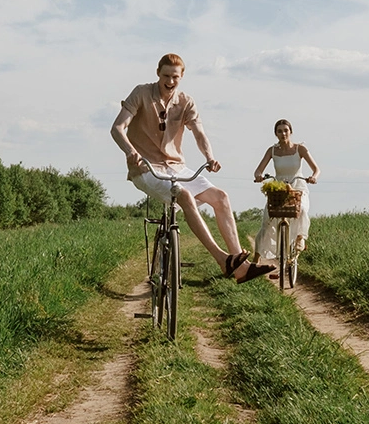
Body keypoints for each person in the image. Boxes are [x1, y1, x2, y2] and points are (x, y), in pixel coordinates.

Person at [111, 53, 275, 283]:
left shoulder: (186, 101)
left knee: (221, 196)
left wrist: (209, 157)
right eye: (166, 75)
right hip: (147, 168)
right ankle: (222, 260)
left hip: (177, 167)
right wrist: (131, 151)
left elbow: (199, 132)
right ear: (158, 73)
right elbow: (117, 128)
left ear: (182, 76)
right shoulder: (141, 93)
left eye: (175, 77)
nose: (170, 81)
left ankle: (239, 263)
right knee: (185, 195)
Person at [251, 119, 319, 261]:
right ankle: (255, 259)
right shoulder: (272, 151)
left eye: (286, 130)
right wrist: (258, 176)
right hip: (279, 189)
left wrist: (313, 177)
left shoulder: (300, 149)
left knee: (303, 210)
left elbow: (316, 169)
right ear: (276, 134)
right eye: (279, 131)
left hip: (298, 187)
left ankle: (300, 238)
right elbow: (258, 169)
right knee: (267, 220)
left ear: (291, 132)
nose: (283, 133)